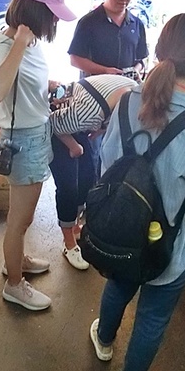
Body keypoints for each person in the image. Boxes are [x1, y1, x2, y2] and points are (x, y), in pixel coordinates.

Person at [89, 13, 185, 371]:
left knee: (119, 284)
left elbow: (107, 164)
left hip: (119, 232)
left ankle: (103, 340)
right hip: (168, 250)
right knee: (152, 315)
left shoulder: (127, 100)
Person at [0, 0, 77, 311]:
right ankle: (13, 284)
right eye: (51, 13)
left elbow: (24, 82)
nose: (54, 21)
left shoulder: (31, 41)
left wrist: (48, 86)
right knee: (19, 220)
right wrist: (20, 44)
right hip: (21, 141)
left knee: (25, 217)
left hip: (38, 133)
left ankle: (18, 260)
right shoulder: (8, 42)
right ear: (36, 10)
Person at [48, 74, 137, 270]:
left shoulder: (135, 90)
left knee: (89, 178)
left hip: (76, 114)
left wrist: (100, 129)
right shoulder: (89, 114)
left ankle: (75, 226)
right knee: (69, 186)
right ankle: (68, 242)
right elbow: (53, 124)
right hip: (57, 125)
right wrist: (73, 146)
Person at [68, 0, 149, 79]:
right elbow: (75, 59)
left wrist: (135, 70)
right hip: (95, 91)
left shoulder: (137, 24)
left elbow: (142, 58)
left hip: (126, 90)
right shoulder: (88, 23)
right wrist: (105, 71)